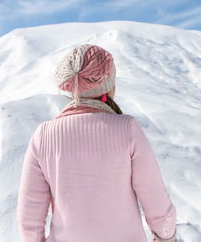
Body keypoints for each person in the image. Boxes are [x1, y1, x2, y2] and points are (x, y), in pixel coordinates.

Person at [16, 44, 178, 242]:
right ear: (110, 85)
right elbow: (154, 197)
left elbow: (29, 216)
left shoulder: (43, 135)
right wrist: (166, 236)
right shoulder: (127, 128)